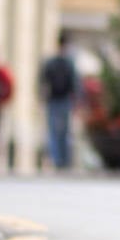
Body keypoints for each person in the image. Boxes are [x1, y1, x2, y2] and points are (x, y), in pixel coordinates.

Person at [39, 31, 81, 170]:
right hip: (65, 100)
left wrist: (42, 97)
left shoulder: (50, 62)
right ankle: (64, 160)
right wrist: (77, 102)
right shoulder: (70, 62)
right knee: (65, 132)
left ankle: (57, 159)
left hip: (53, 100)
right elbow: (75, 84)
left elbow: (42, 81)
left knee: (53, 132)